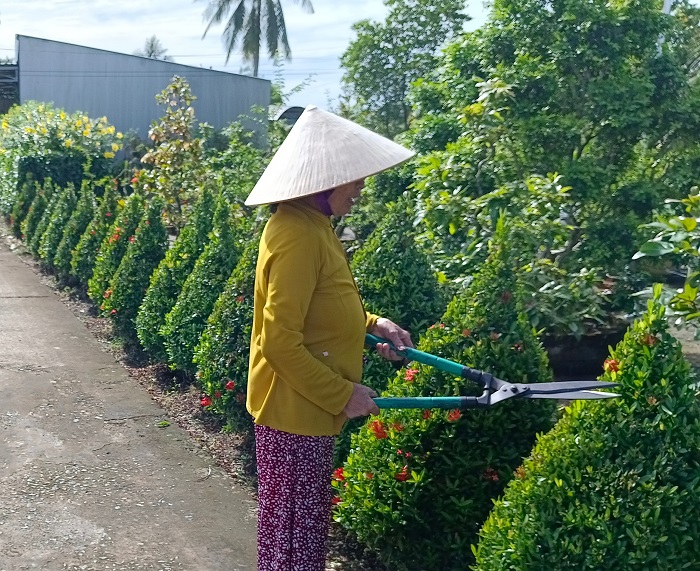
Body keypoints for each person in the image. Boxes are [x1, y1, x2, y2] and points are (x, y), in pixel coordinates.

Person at [245, 105, 415, 571]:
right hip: (296, 412)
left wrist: (371, 324)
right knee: (293, 545)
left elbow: (325, 306)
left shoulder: (312, 226)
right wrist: (343, 394)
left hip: (306, 412)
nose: (361, 188)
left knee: (300, 538)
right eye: (354, 178)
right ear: (324, 180)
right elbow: (278, 343)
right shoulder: (298, 234)